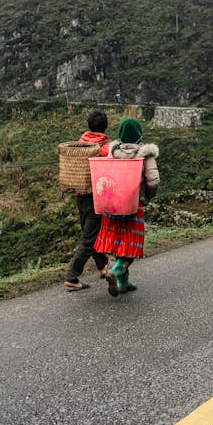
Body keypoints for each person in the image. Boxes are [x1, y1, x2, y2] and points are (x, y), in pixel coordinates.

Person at [94, 117, 159, 296]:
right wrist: (146, 197)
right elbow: (153, 181)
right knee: (130, 244)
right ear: (139, 133)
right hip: (132, 205)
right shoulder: (145, 154)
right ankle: (116, 271)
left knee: (119, 242)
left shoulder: (112, 151)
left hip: (113, 204)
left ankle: (124, 283)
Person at [62, 110, 112, 291]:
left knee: (91, 232)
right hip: (95, 198)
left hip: (80, 196)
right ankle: (72, 276)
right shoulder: (105, 148)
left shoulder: (80, 143)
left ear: (88, 126)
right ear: (105, 126)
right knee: (88, 238)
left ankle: (103, 265)